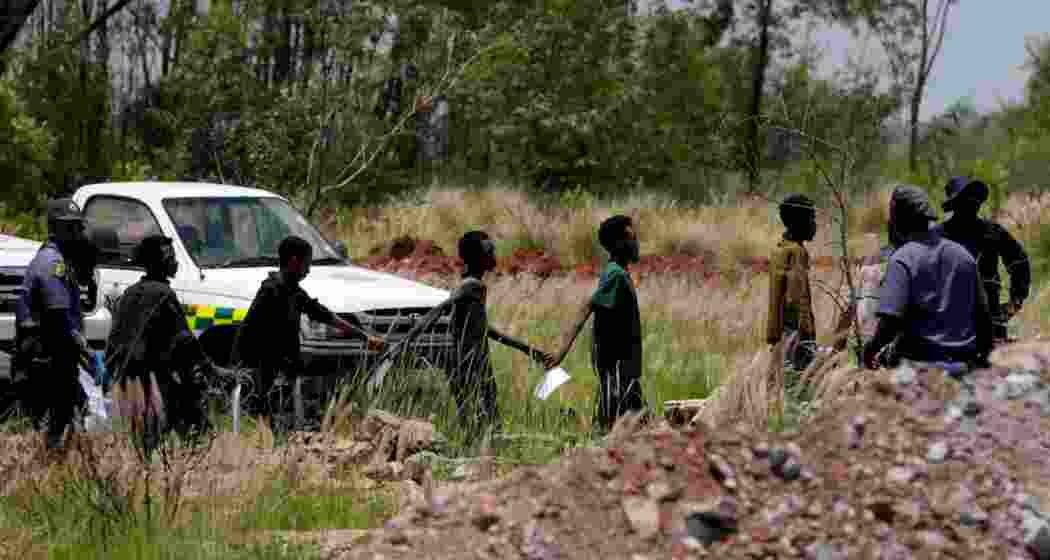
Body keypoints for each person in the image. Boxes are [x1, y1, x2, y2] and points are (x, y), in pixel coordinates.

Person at [378, 231, 550, 444]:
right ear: (478, 257)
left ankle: (478, 456)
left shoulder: (474, 286)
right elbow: (438, 311)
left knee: (478, 422)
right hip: (468, 364)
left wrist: (527, 350)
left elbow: (484, 329)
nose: (494, 255)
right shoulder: (470, 286)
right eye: (489, 251)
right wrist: (404, 342)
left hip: (473, 362)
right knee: (481, 420)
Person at [232, 236, 383, 433]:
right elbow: (252, 338)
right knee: (269, 425)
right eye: (306, 264)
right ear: (294, 262)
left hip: (281, 369)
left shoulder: (294, 292)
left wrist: (364, 337)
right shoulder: (270, 293)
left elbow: (327, 316)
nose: (308, 270)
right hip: (263, 371)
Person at [105, 235, 226, 452]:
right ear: (158, 261)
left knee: (144, 445)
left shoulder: (130, 293)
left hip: (127, 380)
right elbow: (186, 341)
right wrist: (211, 370)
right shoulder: (164, 294)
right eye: (170, 256)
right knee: (196, 432)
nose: (175, 261)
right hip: (155, 381)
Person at [862, 185, 993, 371]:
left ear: (898, 221)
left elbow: (890, 321)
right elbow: (983, 316)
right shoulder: (963, 255)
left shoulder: (902, 258)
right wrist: (984, 357)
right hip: (964, 364)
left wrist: (871, 349)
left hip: (918, 368)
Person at [545, 215, 646, 434]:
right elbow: (587, 307)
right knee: (617, 430)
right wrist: (561, 351)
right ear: (617, 244)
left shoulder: (616, 273)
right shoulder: (616, 276)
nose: (635, 242)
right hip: (619, 372)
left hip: (622, 372)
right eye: (630, 237)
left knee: (630, 427)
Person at [13, 198, 93, 451]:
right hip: (47, 360)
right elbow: (58, 317)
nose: (78, 234)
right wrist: (87, 352)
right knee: (55, 431)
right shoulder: (52, 264)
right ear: (55, 230)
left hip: (53, 357)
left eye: (79, 227)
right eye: (71, 228)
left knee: (66, 428)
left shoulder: (57, 260)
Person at [932, 177, 1030, 341]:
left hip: (989, 322)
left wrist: (1015, 302)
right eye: (967, 199)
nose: (973, 203)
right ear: (955, 204)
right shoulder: (937, 236)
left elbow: (1019, 262)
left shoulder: (993, 232)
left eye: (975, 198)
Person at [766, 193, 818, 373]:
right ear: (798, 222)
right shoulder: (797, 253)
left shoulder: (780, 248)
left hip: (781, 337)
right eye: (811, 218)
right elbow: (795, 300)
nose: (815, 225)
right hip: (797, 339)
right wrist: (805, 340)